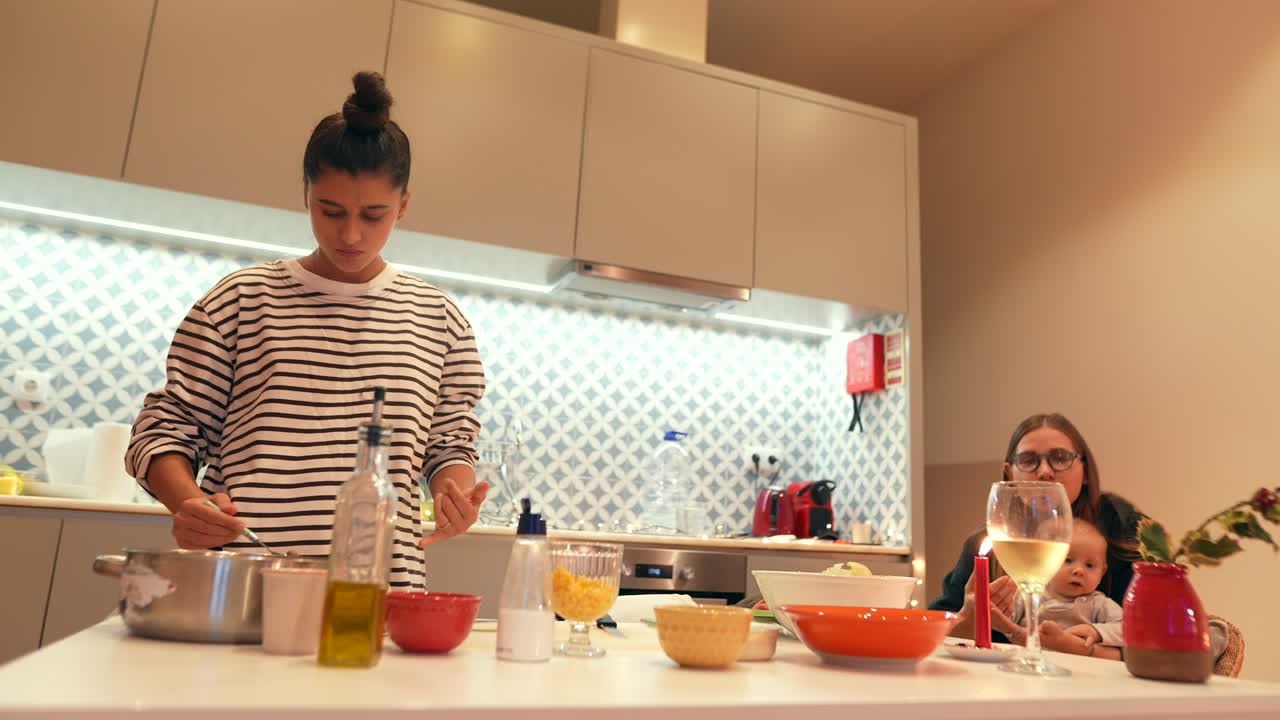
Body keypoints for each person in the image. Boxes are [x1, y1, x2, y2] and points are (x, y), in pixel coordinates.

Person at [125, 71, 489, 591]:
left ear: (404, 205)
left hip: (379, 591)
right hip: (246, 586)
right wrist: (189, 502)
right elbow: (164, 428)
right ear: (305, 194)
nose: (350, 234)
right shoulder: (241, 300)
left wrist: (455, 495)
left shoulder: (439, 319)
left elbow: (449, 443)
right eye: (330, 210)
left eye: (374, 215)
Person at [932, 413, 1144, 647]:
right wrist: (971, 616)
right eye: (1028, 460)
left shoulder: (1123, 530)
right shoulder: (988, 543)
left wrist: (1075, 648)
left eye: (1060, 458)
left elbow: (1149, 639)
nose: (1044, 471)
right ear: (1009, 473)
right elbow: (937, 634)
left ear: (1085, 470)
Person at [1002, 519, 1124, 660]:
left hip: (1080, 668)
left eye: (1089, 565)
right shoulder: (1029, 592)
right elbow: (1004, 620)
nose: (1079, 571)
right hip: (1028, 661)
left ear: (1102, 572)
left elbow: (1129, 629)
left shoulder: (1098, 603)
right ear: (1045, 561)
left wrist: (1097, 631)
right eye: (1068, 560)